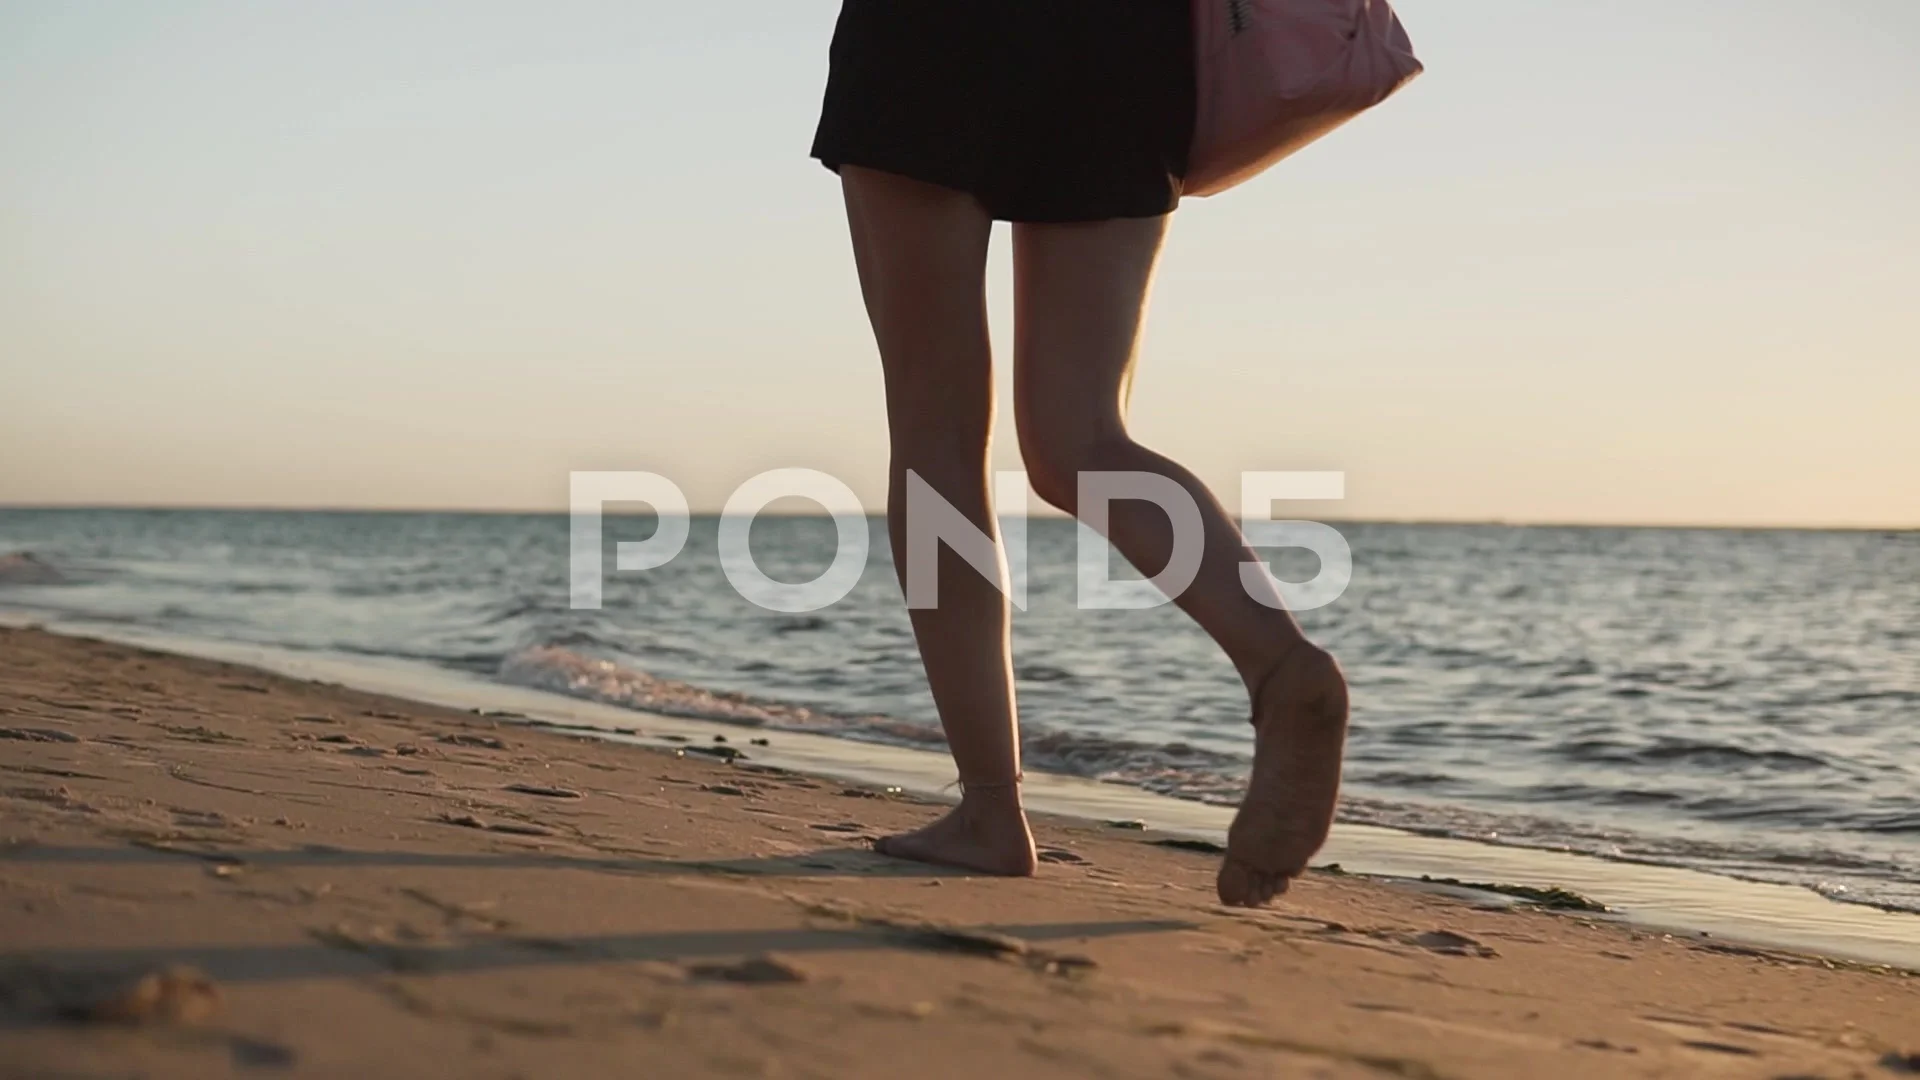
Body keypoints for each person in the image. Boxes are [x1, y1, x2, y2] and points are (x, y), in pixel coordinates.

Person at [810, 0, 1349, 907]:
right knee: (1082, 438)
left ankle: (990, 813)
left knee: (936, 434)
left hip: (929, 38)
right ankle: (1277, 657)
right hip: (1123, 41)